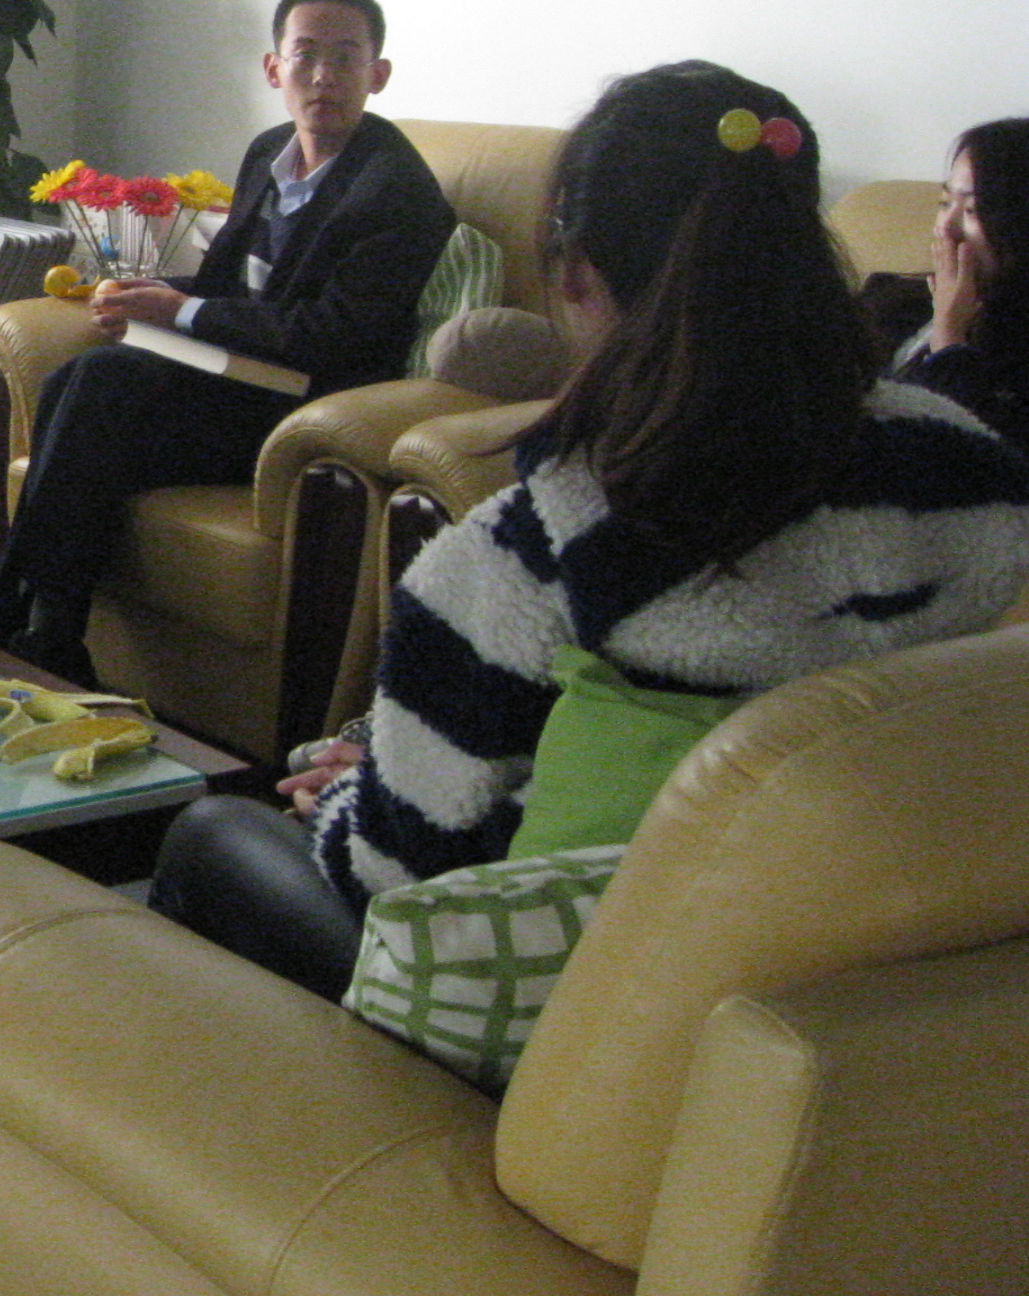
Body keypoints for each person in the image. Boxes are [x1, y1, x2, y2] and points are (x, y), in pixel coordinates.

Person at [150, 62, 1029, 999]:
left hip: (582, 1001)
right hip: (859, 963)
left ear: (571, 275)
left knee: (213, 835)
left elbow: (397, 876)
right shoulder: (971, 474)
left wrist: (348, 802)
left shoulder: (530, 550)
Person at [0, 0, 455, 684]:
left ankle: (23, 632)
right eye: (305, 55)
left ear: (377, 74)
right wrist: (148, 296)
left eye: (346, 58)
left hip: (305, 410)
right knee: (74, 388)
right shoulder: (269, 152)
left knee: (98, 392)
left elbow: (332, 335)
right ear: (274, 68)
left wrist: (179, 311)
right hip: (234, 379)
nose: (323, 76)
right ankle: (40, 631)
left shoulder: (396, 191)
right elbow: (224, 283)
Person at [886, 118, 1029, 452]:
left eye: (971, 209)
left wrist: (949, 335)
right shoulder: (892, 299)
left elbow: (977, 455)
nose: (946, 228)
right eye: (945, 203)